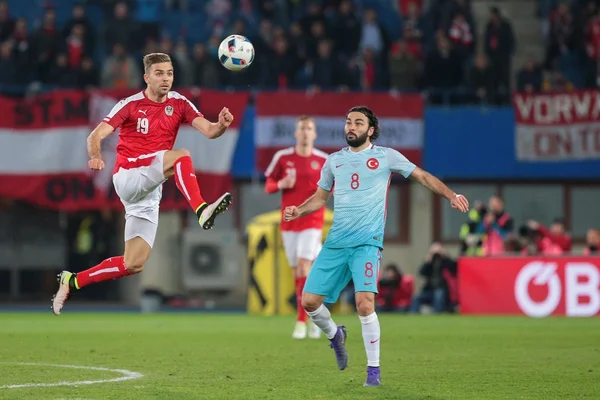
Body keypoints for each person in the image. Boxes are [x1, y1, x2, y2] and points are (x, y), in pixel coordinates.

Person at [283, 106, 469, 387]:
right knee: (308, 301)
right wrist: (299, 210)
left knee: (364, 303)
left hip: (367, 244)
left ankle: (373, 371)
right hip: (336, 244)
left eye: (358, 123)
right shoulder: (334, 161)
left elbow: (422, 176)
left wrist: (450, 195)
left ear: (370, 130)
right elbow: (321, 198)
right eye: (348, 122)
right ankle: (336, 335)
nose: (351, 127)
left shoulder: (386, 156)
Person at [52, 53, 233, 315]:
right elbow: (96, 135)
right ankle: (202, 209)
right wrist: (95, 157)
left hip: (148, 190)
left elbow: (210, 131)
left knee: (133, 263)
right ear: (147, 77)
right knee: (181, 157)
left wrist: (222, 125)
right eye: (159, 73)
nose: (166, 78)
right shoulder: (130, 104)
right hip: (127, 175)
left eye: (169, 73)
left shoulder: (180, 103)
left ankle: (72, 281)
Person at [264, 116, 328, 340]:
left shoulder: (323, 160)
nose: (305, 132)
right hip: (289, 223)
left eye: (309, 128)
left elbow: (333, 189)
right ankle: (314, 315)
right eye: (301, 129)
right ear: (295, 133)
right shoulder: (283, 157)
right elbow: (268, 185)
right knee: (297, 273)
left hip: (312, 221)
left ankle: (301, 321)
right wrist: (281, 184)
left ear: (315, 134)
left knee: (303, 266)